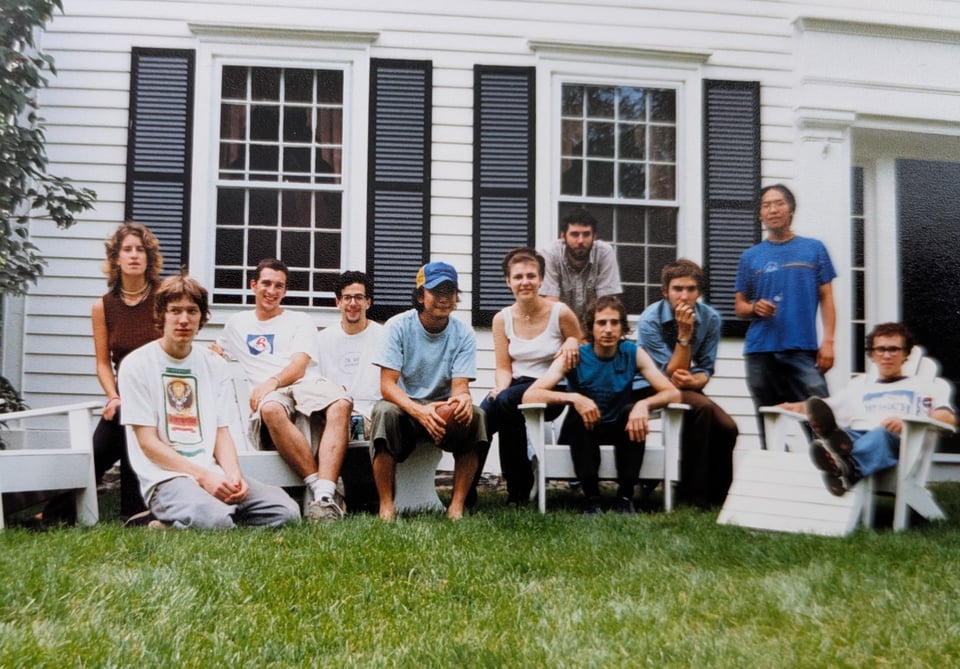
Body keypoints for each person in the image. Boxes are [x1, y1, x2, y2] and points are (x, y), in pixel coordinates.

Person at [119, 274, 300, 529]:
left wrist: (233, 475)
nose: (184, 319)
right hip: (167, 478)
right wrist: (203, 477)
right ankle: (176, 520)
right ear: (161, 315)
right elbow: (148, 443)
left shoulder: (214, 364)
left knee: (287, 513)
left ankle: (180, 523)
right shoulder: (137, 365)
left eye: (192, 311)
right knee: (216, 521)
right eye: (175, 311)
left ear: (201, 317)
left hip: (213, 472)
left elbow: (221, 432)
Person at [214, 258, 352, 521]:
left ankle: (323, 497)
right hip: (273, 397)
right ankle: (322, 492)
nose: (272, 291)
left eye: (279, 286)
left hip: (303, 384)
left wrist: (271, 382)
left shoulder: (299, 320)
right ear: (253, 285)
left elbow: (299, 365)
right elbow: (219, 349)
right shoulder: (237, 323)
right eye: (266, 283)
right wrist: (214, 354)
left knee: (341, 403)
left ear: (285, 290)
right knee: (270, 409)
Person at [523, 296, 681, 514]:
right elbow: (530, 395)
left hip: (619, 430)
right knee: (578, 416)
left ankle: (625, 498)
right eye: (601, 323)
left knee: (632, 412)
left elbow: (673, 393)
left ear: (622, 327)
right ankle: (592, 499)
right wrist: (574, 398)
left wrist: (643, 405)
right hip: (584, 430)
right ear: (591, 327)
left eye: (614, 323)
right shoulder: (576, 356)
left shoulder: (633, 353)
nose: (608, 329)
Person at [778, 322, 956, 496]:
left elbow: (948, 417)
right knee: (844, 435)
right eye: (880, 349)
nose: (886, 355)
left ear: (906, 354)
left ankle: (847, 465)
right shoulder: (858, 387)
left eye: (894, 349)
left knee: (880, 433)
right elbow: (823, 409)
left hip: (899, 445)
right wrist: (792, 406)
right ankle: (839, 457)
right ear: (872, 354)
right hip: (858, 440)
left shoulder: (925, 386)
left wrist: (906, 423)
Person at [370, 261, 488, 521]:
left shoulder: (464, 333)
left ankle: (456, 506)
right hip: (404, 405)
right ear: (421, 296)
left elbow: (460, 387)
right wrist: (419, 411)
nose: (444, 298)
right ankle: (386, 505)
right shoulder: (398, 326)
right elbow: (387, 385)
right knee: (384, 413)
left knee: (477, 415)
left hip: (443, 406)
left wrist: (463, 399)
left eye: (450, 291)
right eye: (436, 291)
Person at [734, 183, 837, 445]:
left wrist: (828, 342)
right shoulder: (750, 257)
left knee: (820, 414)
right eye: (766, 205)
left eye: (779, 203)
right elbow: (740, 307)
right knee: (769, 421)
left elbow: (827, 298)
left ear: (791, 209)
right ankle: (774, 465)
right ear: (760, 214)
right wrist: (754, 307)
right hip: (760, 352)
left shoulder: (814, 249)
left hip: (801, 349)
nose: (773, 210)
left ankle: (832, 463)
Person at [478, 248, 581, 506]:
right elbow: (503, 367)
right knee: (480, 417)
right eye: (518, 276)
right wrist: (501, 387)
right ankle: (467, 490)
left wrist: (572, 341)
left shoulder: (560, 312)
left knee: (505, 404)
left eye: (531, 276)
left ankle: (518, 489)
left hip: (551, 389)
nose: (525, 282)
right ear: (508, 281)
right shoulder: (501, 319)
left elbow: (579, 341)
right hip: (515, 387)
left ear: (541, 279)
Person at [638, 259, 739, 508]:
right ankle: (692, 494)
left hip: (686, 385)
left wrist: (696, 379)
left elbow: (705, 367)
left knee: (728, 427)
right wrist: (684, 334)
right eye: (678, 289)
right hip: (650, 385)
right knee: (701, 409)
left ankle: (718, 497)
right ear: (665, 291)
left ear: (699, 292)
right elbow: (669, 373)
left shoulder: (711, 319)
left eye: (691, 289)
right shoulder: (650, 319)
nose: (684, 296)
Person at [91, 222, 163, 519]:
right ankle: (58, 510)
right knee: (96, 452)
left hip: (162, 392)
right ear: (116, 258)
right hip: (124, 396)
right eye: (127, 250)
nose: (134, 255)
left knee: (128, 426)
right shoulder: (103, 306)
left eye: (140, 250)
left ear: (149, 257)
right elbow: (102, 363)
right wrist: (112, 396)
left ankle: (135, 509)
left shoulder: (164, 296)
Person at [315, 271, 383, 432]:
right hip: (332, 413)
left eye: (359, 297)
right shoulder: (322, 339)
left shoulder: (384, 336)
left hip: (372, 416)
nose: (353, 303)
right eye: (347, 298)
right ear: (338, 302)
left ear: (368, 302)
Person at [540, 207, 622, 324]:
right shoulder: (550, 253)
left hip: (594, 328)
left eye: (586, 234)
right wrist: (573, 333)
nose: (580, 241)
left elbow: (606, 305)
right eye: (574, 234)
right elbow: (551, 304)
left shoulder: (604, 253)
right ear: (563, 236)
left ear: (594, 236)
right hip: (561, 327)